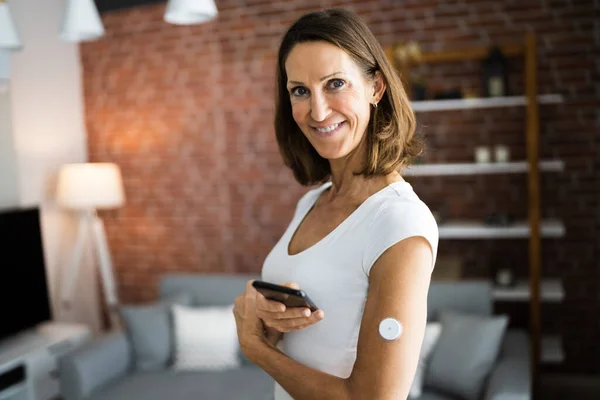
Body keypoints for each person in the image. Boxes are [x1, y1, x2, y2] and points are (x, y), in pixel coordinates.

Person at [233, 8, 439, 400]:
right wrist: (267, 318)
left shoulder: (399, 221)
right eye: (300, 91)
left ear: (376, 87)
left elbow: (374, 397)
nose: (319, 111)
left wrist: (255, 348)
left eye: (336, 83)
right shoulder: (311, 202)